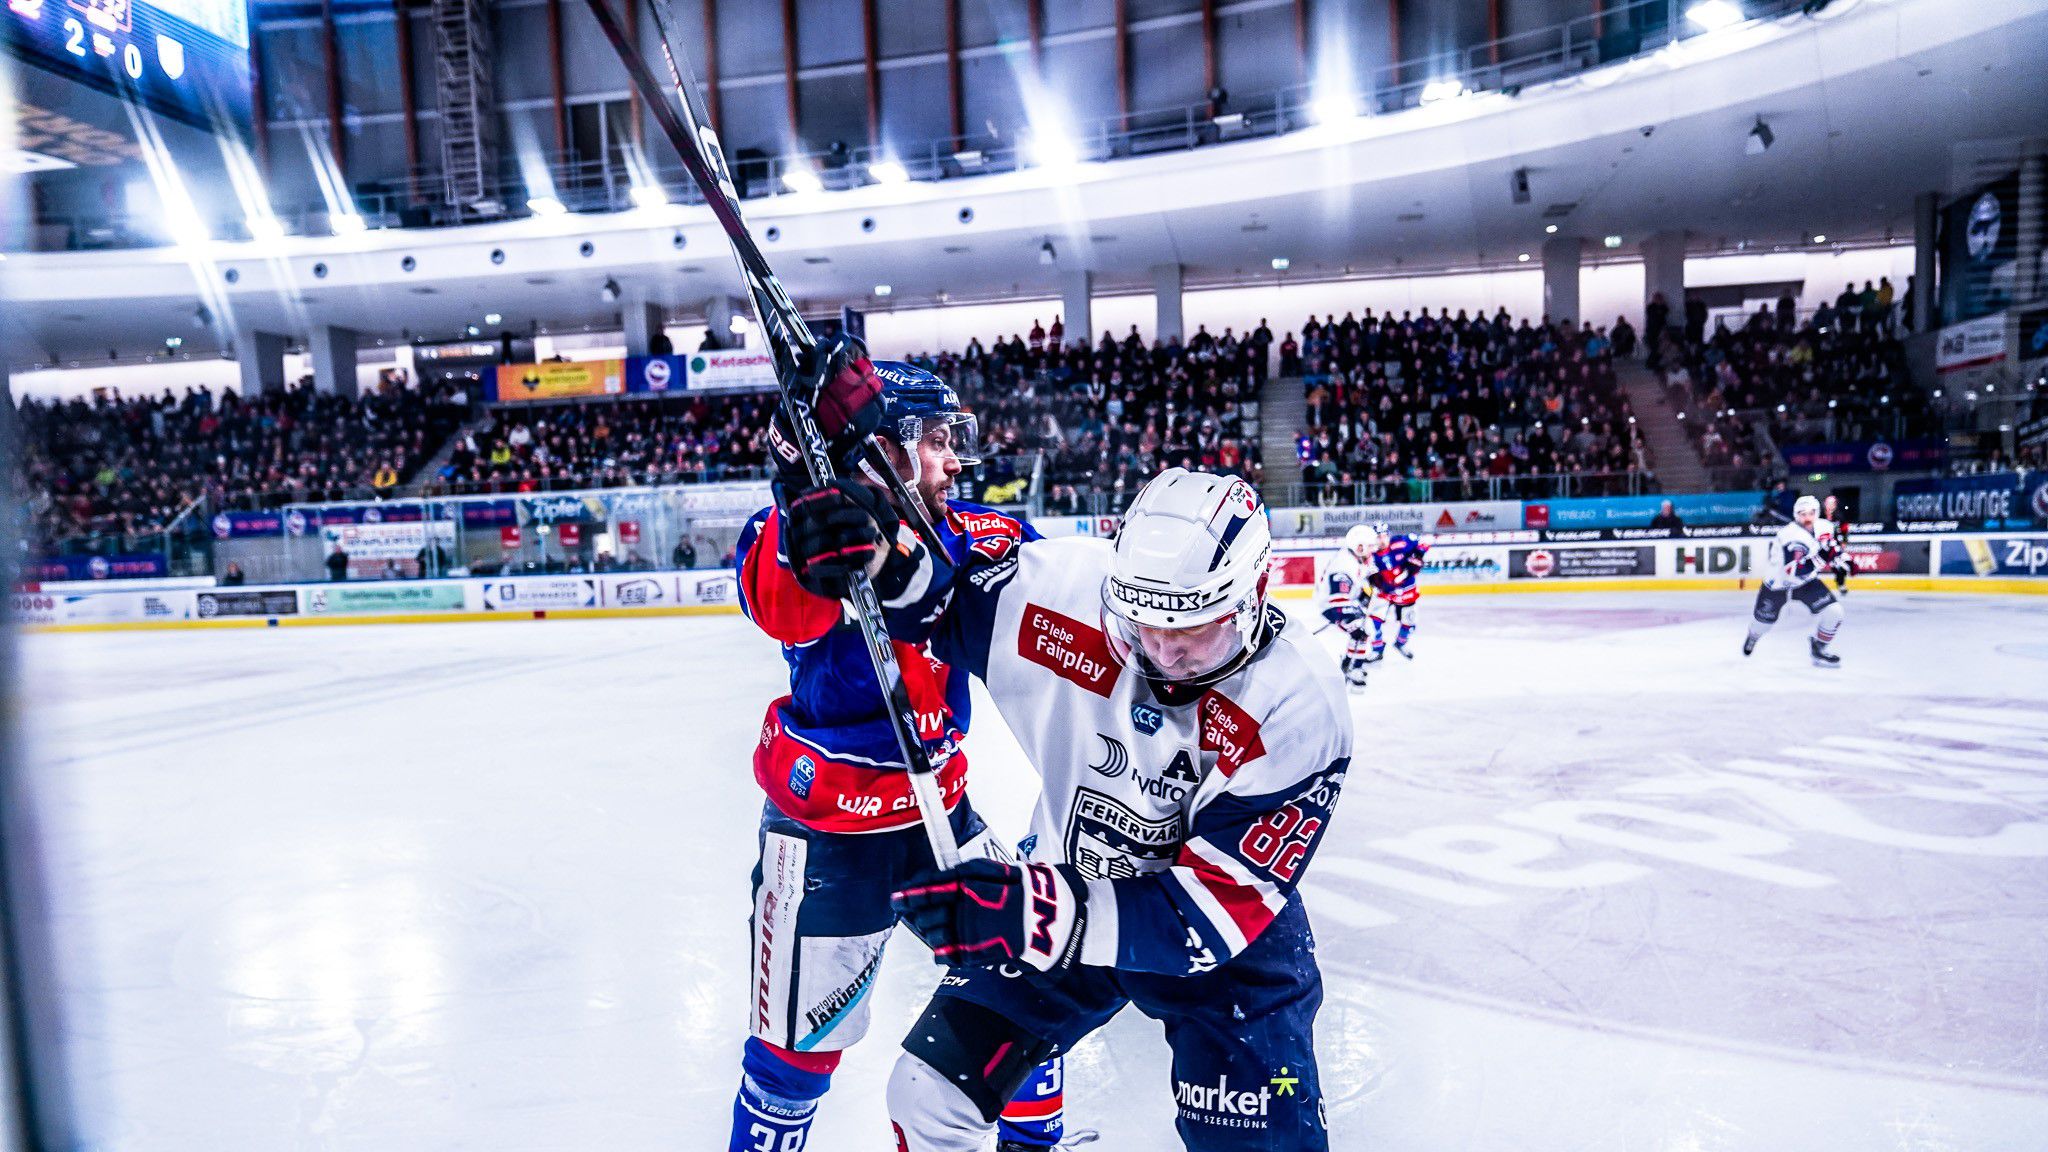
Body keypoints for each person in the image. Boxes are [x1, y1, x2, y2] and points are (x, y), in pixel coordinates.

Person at [865, 467, 1352, 1151]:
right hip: (1068, 884)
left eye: (1194, 630)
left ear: (1257, 591)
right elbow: (931, 602)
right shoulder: (1061, 595)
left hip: (1227, 956)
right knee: (927, 1094)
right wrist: (861, 530)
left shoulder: (1299, 706)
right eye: (1144, 624)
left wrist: (1020, 911)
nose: (1164, 652)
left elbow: (1204, 920)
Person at [724, 339, 1063, 1152]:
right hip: (827, 840)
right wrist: (801, 478)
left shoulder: (971, 530)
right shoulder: (798, 528)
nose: (955, 460)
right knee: (792, 1061)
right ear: (884, 443)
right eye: (937, 440)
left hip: (941, 818)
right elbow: (782, 605)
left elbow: (1049, 590)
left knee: (1030, 989)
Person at [1743, 495, 1844, 667]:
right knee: (1762, 624)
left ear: (1817, 513)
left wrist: (1840, 558)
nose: (1807, 517)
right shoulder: (1789, 535)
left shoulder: (1825, 526)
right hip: (1778, 585)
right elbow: (1794, 570)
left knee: (1834, 612)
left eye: (1811, 513)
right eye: (1802, 513)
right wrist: (1825, 557)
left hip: (1806, 583)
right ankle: (1753, 636)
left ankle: (1819, 647)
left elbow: (1831, 548)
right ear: (1796, 515)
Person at [1315, 524, 1378, 690]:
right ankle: (1353, 668)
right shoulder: (1344, 564)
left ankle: (1349, 664)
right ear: (1360, 546)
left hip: (1340, 603)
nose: (1372, 551)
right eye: (1370, 546)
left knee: (1364, 629)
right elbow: (1338, 598)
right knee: (1362, 631)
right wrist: (1350, 620)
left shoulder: (1353, 558)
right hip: (1333, 606)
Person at [1363, 522, 1428, 660]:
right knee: (1372, 622)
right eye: (1378, 537)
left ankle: (1400, 643)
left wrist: (1417, 556)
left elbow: (1423, 542)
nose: (1381, 540)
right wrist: (1375, 581)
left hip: (1406, 590)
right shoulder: (1369, 555)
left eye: (1384, 536)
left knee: (1409, 621)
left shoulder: (1401, 543)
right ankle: (1377, 649)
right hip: (1384, 593)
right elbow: (1366, 576)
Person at [1821, 494, 1851, 595]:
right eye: (1828, 503)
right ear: (1825, 504)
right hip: (1820, 545)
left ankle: (1841, 584)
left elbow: (1845, 530)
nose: (1830, 505)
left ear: (1835, 505)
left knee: (1840, 566)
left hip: (1835, 546)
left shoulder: (1839, 516)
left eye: (1832, 503)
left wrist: (1844, 542)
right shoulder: (1819, 515)